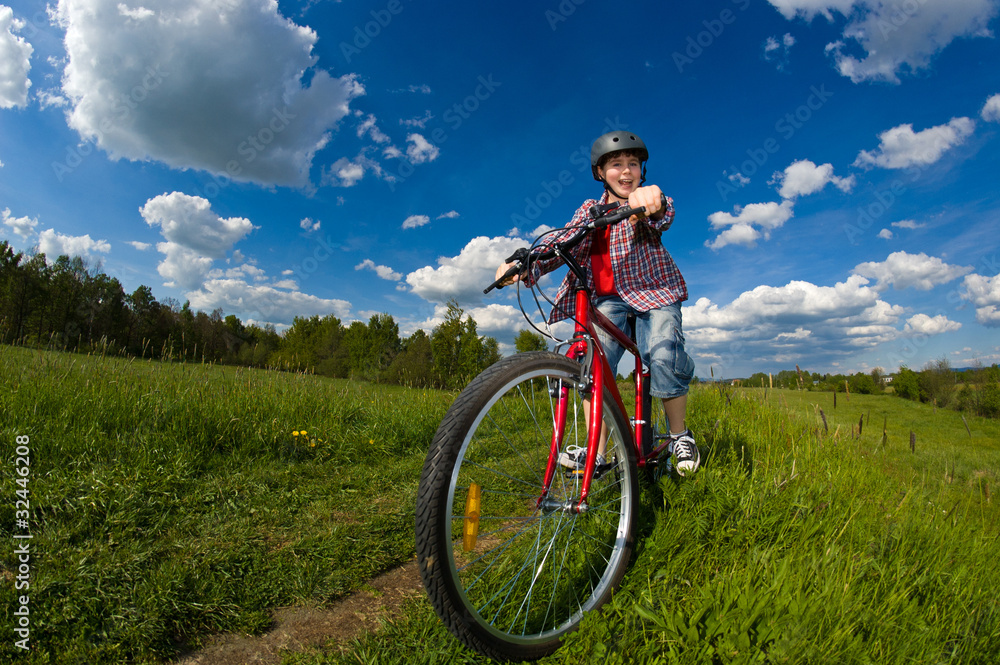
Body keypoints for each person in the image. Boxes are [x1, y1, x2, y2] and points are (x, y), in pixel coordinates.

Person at [495, 130, 700, 475]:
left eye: (632, 164)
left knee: (664, 353)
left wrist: (654, 201)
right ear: (600, 173)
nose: (626, 171)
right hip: (608, 300)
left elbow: (663, 213)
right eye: (616, 164)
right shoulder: (590, 210)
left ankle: (680, 434)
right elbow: (564, 241)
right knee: (593, 367)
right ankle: (598, 450)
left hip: (654, 293)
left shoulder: (643, 200)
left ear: (642, 171)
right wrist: (527, 263)